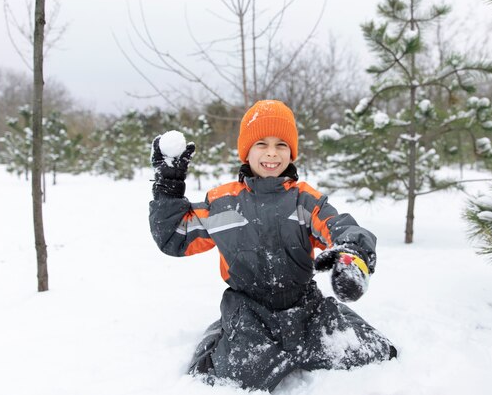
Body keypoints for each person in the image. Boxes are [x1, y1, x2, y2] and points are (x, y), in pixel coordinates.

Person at [149, 100, 396, 392]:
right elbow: (175, 237)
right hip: (250, 310)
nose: (271, 152)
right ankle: (224, 334)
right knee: (231, 376)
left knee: (372, 352)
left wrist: (352, 255)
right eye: (261, 143)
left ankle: (332, 324)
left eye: (281, 144)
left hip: (305, 308)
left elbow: (339, 226)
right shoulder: (224, 203)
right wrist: (168, 186)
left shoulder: (304, 200)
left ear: (291, 151)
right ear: (246, 150)